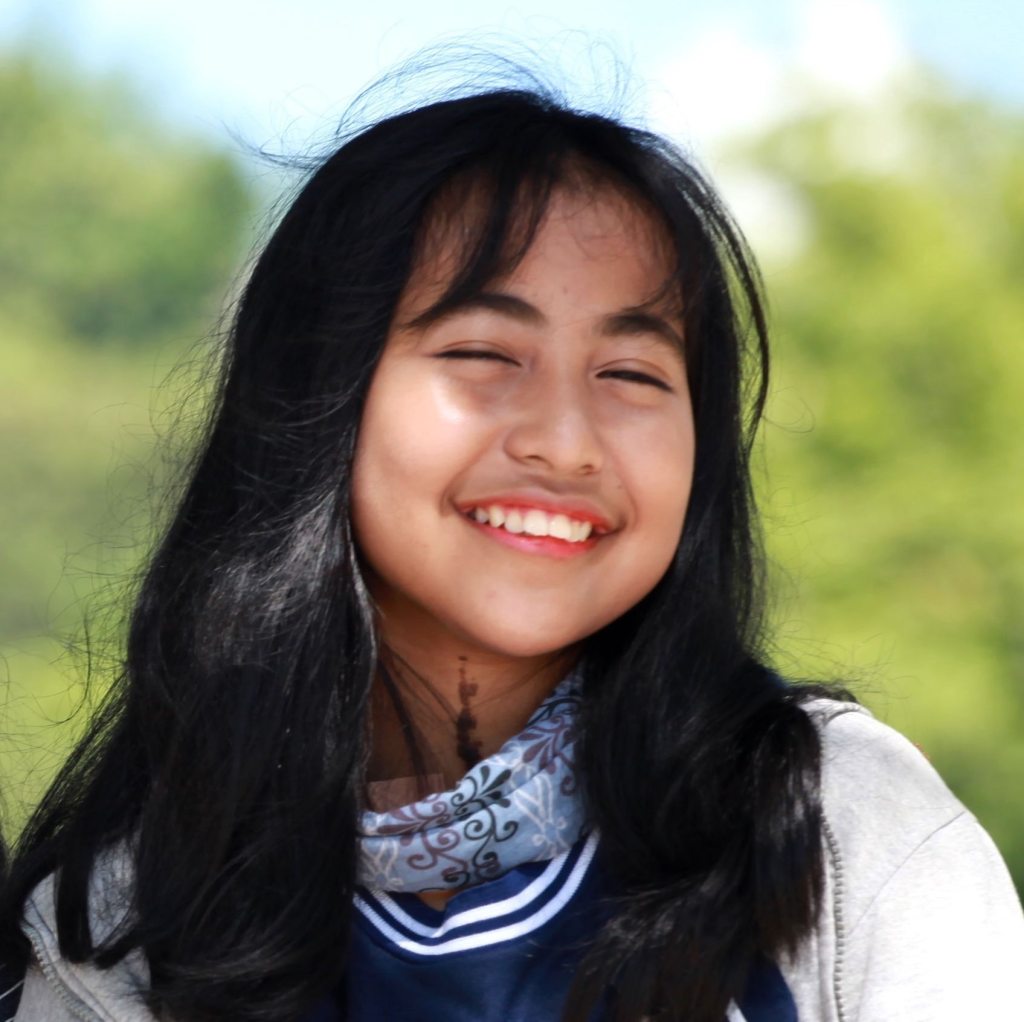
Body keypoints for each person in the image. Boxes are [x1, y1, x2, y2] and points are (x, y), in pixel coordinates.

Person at [1, 84, 1021, 1022]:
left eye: (630, 371)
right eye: (483, 354)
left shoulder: (839, 824)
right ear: (316, 400)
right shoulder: (128, 918)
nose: (566, 440)